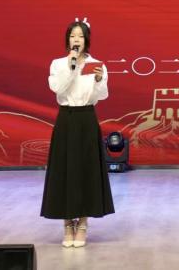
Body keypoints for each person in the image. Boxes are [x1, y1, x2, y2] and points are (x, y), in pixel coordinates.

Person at [40, 19, 115, 247]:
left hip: (87, 118)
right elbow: (58, 88)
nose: (77, 40)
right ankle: (67, 224)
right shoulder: (58, 64)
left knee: (85, 171)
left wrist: (99, 80)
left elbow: (102, 95)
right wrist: (72, 67)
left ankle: (82, 224)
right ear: (67, 40)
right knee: (65, 171)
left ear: (87, 40)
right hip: (66, 118)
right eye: (73, 36)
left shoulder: (96, 64)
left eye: (81, 36)